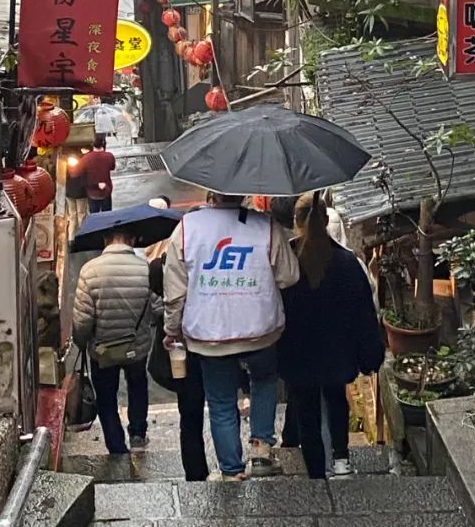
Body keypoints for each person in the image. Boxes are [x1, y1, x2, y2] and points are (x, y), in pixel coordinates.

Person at [164, 191, 299, 481]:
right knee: (264, 380)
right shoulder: (266, 226)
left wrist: (171, 329)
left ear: (211, 193)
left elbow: (174, 292)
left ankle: (231, 470)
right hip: (260, 328)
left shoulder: (187, 228)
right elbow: (289, 276)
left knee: (221, 401)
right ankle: (261, 450)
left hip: (209, 332)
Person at [278, 192, 384, 480]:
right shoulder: (347, 262)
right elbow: (363, 312)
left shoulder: (287, 259)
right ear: (326, 220)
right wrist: (370, 354)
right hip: (337, 349)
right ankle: (341, 459)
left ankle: (316, 472)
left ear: (296, 221)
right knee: (336, 397)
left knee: (306, 408)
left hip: (297, 349)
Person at [72, 227, 153, 455]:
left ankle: (116, 445)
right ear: (132, 239)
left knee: (106, 396)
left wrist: (81, 341)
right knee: (138, 386)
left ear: (105, 240)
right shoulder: (145, 268)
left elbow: (82, 320)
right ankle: (138, 433)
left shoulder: (90, 271)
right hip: (136, 347)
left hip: (103, 349)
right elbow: (157, 308)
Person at [148, 236, 209, 481]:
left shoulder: (160, 265)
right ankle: (230, 466)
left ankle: (195, 472)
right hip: (213, 340)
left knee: (190, 413)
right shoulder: (211, 258)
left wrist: (171, 331)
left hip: (182, 346)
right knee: (223, 405)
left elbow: (163, 297)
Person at [83, 134, 116, 213]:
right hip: (106, 190)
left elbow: (77, 171)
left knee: (94, 216)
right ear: (103, 145)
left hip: (92, 192)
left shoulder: (86, 158)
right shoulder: (109, 156)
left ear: (93, 145)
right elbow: (112, 167)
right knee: (107, 215)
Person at [65, 148, 89, 237]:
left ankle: (71, 238)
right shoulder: (83, 165)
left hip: (69, 193)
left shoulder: (67, 166)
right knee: (81, 214)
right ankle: (82, 236)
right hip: (81, 193)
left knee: (72, 216)